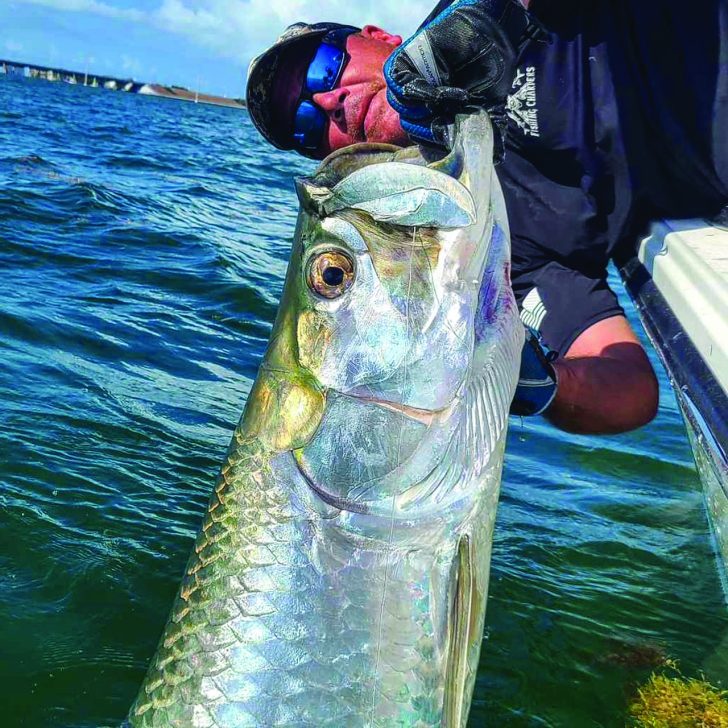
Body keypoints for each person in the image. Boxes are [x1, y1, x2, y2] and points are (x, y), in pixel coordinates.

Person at [245, 1, 728, 435]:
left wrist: (490, 16)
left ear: (380, 37)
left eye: (323, 70)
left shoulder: (467, 12)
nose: (327, 102)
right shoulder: (481, 235)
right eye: (307, 125)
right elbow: (632, 392)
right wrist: (530, 381)